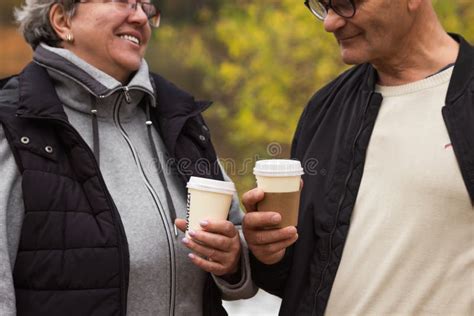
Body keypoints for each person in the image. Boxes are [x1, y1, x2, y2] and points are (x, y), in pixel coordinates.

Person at [0, 0, 256, 315]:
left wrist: (233, 258)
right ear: (62, 20)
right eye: (123, 1)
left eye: (146, 6)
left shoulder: (179, 116)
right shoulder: (14, 124)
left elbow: (239, 241)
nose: (139, 17)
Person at [242, 0, 473, 315]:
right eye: (324, 6)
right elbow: (304, 277)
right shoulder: (324, 109)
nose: (330, 23)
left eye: (346, 4)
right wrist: (268, 254)